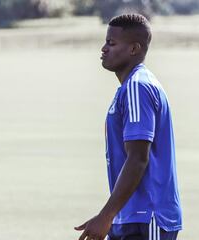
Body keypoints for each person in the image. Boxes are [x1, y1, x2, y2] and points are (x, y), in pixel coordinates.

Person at [75, 13, 182, 240]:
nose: (104, 48)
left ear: (134, 49)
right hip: (131, 217)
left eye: (111, 43)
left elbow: (137, 158)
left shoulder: (137, 88)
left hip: (147, 218)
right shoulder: (129, 88)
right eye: (105, 42)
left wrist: (106, 216)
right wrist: (111, 216)